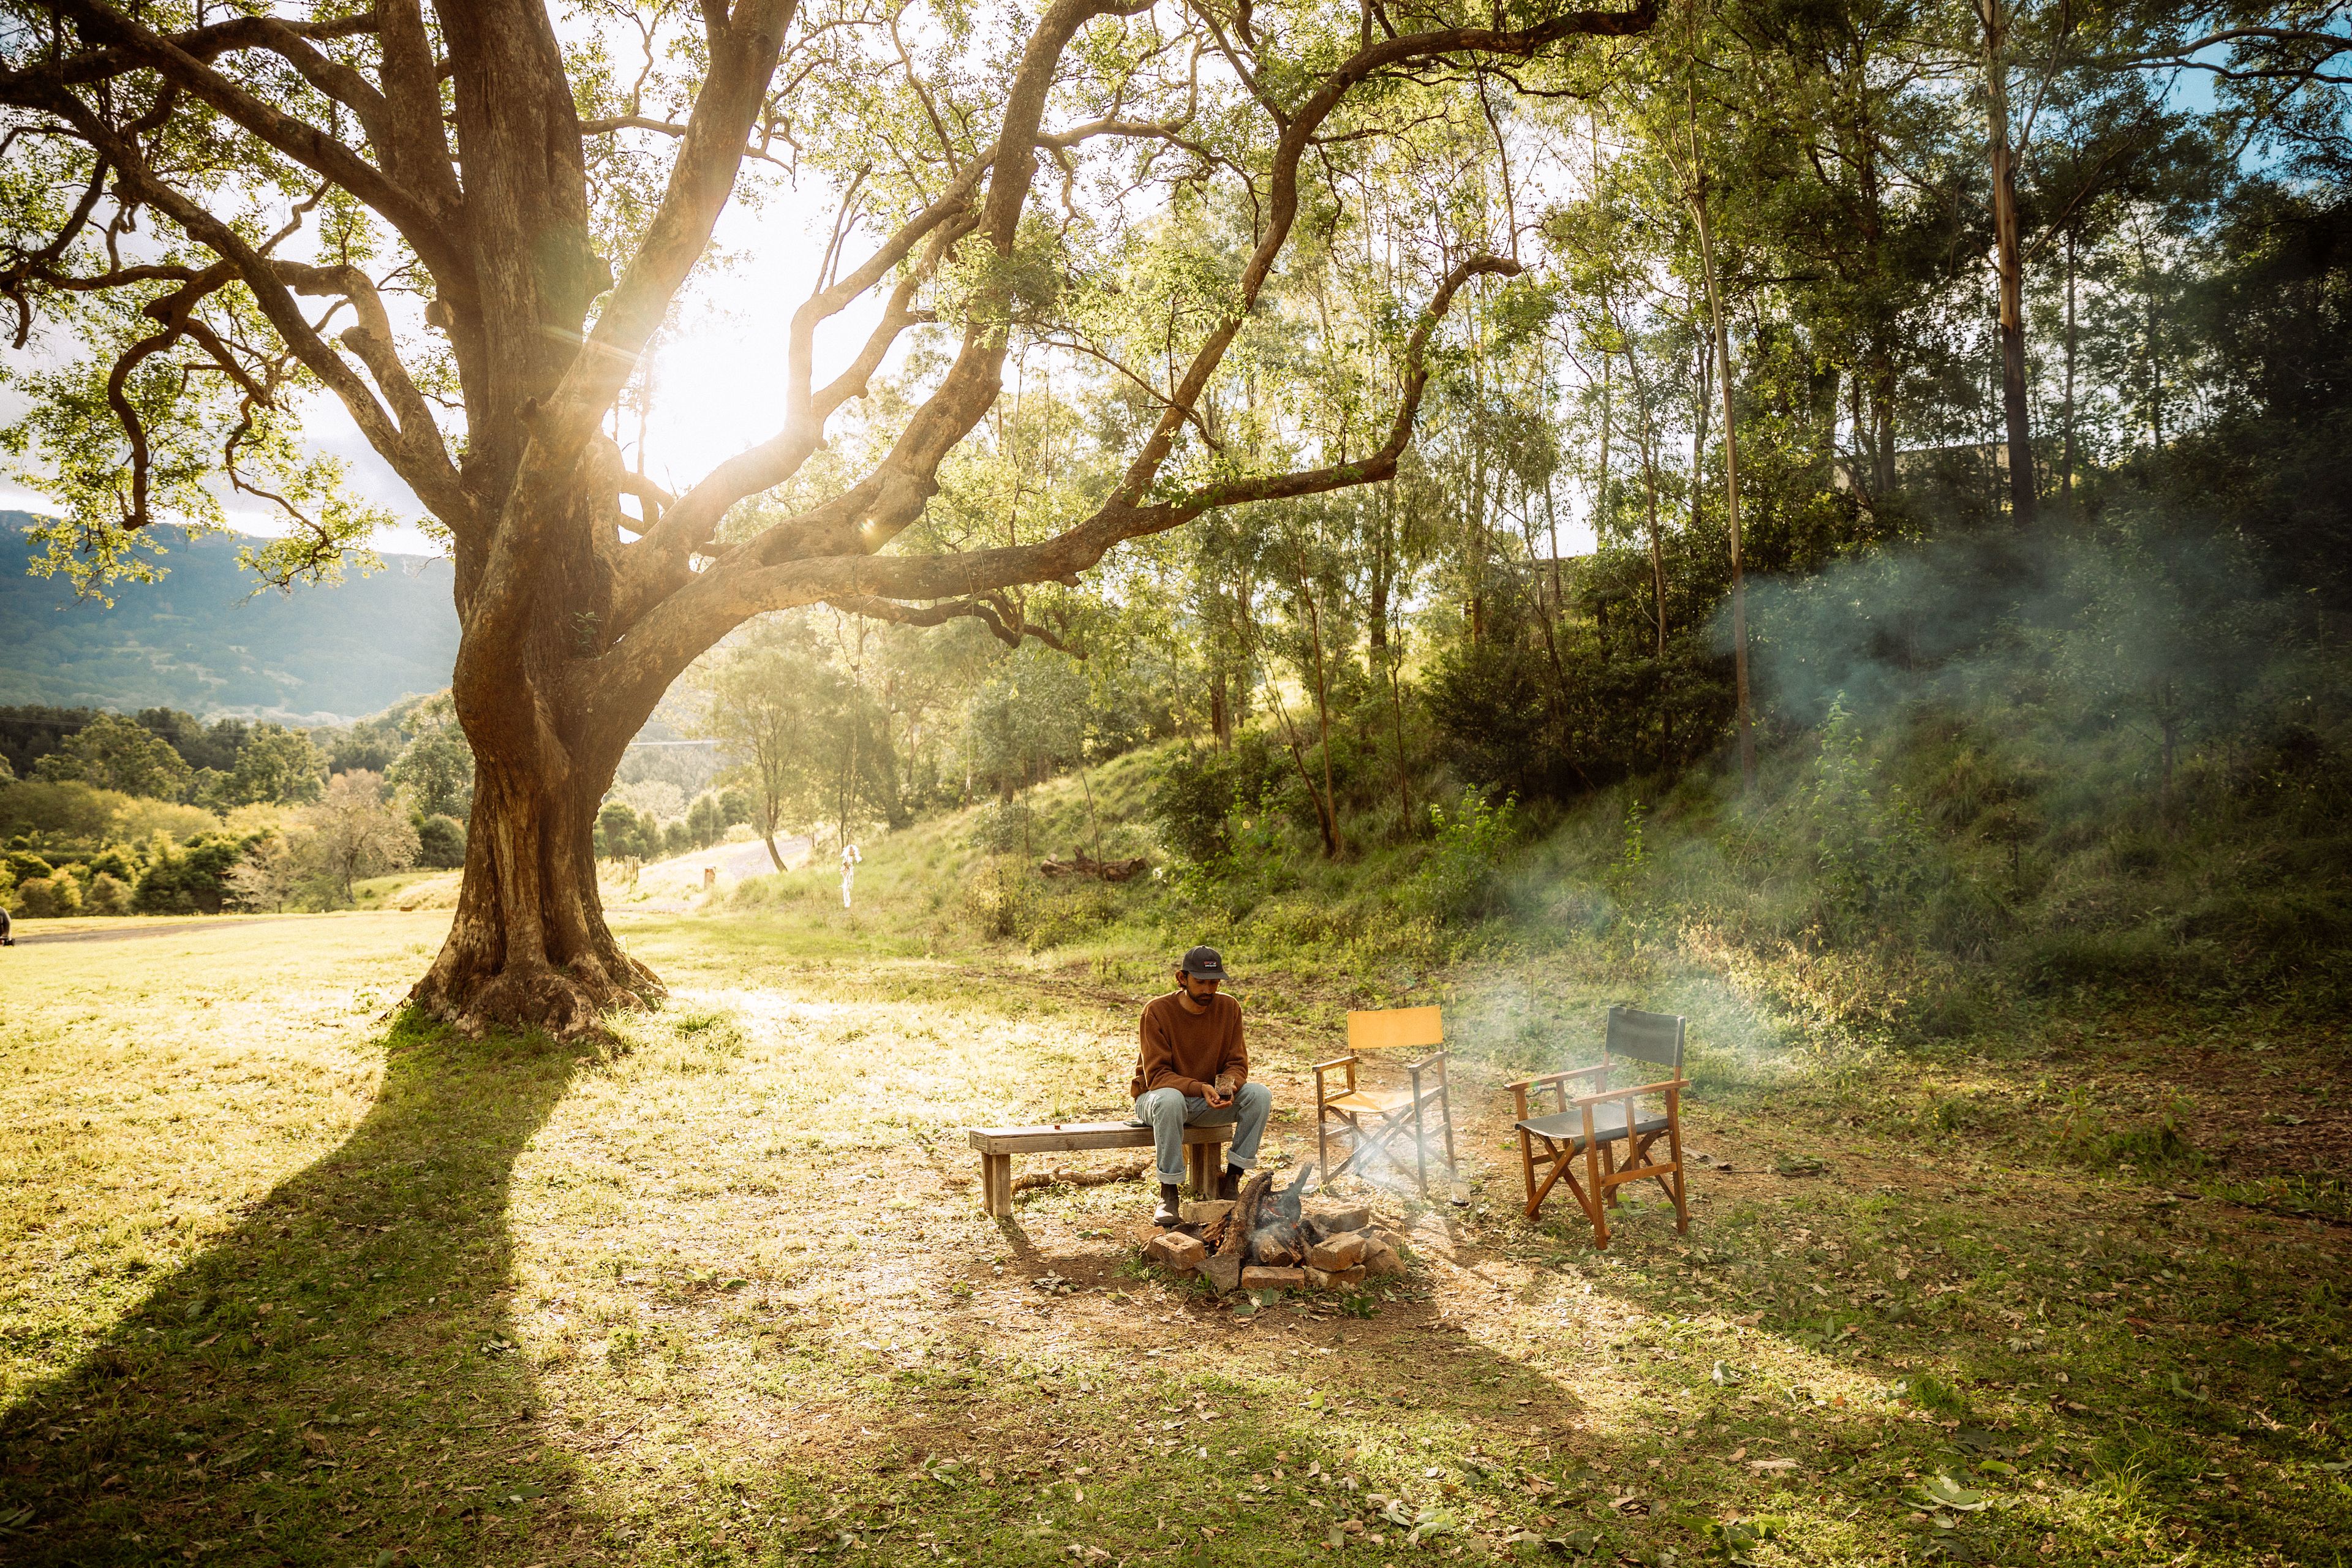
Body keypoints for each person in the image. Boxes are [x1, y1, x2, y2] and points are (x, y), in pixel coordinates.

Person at [1131, 945, 1270, 1228]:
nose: (1209, 989)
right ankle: (1169, 1193)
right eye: (1202, 981)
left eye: (1215, 982)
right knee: (1170, 1100)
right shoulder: (1156, 1012)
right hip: (1158, 1101)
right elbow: (1157, 1076)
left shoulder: (1229, 1007)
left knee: (1259, 1094)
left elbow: (1236, 1062)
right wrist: (1199, 1087)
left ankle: (1231, 1180)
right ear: (1181, 979)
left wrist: (1226, 1088)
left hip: (1206, 1101)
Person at [839, 840, 862, 909]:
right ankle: (847, 901)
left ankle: (847, 901)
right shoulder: (846, 859)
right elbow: (845, 863)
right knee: (846, 885)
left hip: (848, 869)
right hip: (847, 869)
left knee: (847, 885)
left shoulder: (849, 858)